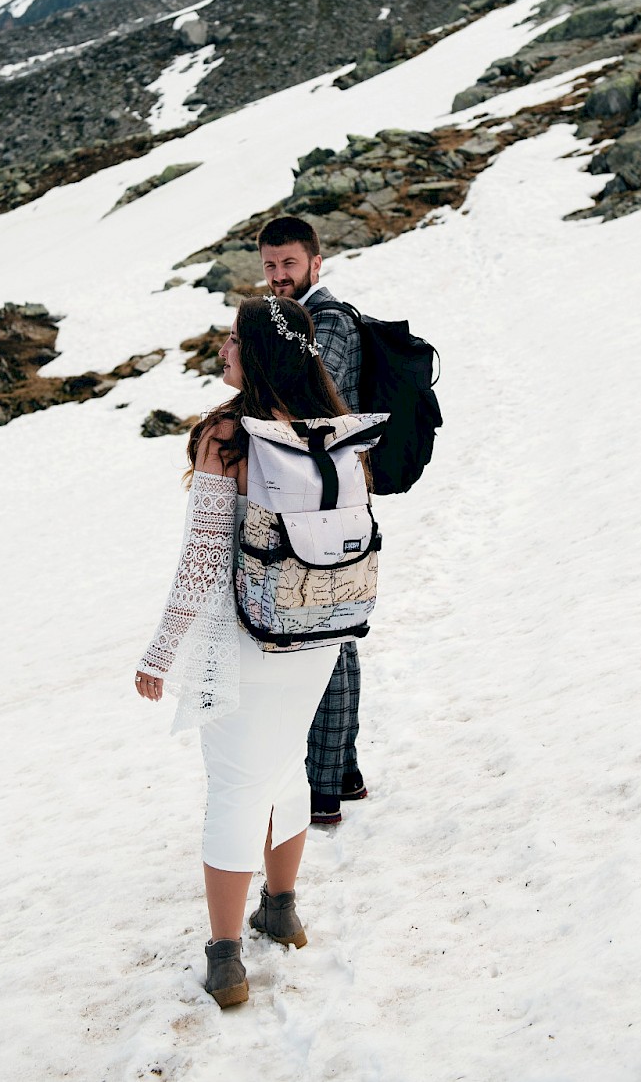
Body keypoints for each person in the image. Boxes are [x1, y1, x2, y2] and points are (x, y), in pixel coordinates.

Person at [135, 294, 351, 1008]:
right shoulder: (332, 426)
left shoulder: (229, 434)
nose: (222, 349)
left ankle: (225, 957)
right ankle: (281, 907)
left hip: (247, 635)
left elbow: (201, 560)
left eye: (232, 339)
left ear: (254, 352)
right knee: (284, 762)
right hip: (319, 628)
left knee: (231, 783)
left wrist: (160, 652)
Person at [256, 215, 366, 827]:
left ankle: (324, 788)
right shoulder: (293, 319)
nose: (277, 278)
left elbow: (312, 404)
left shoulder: (328, 321)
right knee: (332, 631)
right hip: (321, 500)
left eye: (288, 266)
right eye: (270, 267)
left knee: (327, 636)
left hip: (329, 505)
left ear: (315, 264)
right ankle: (340, 775)